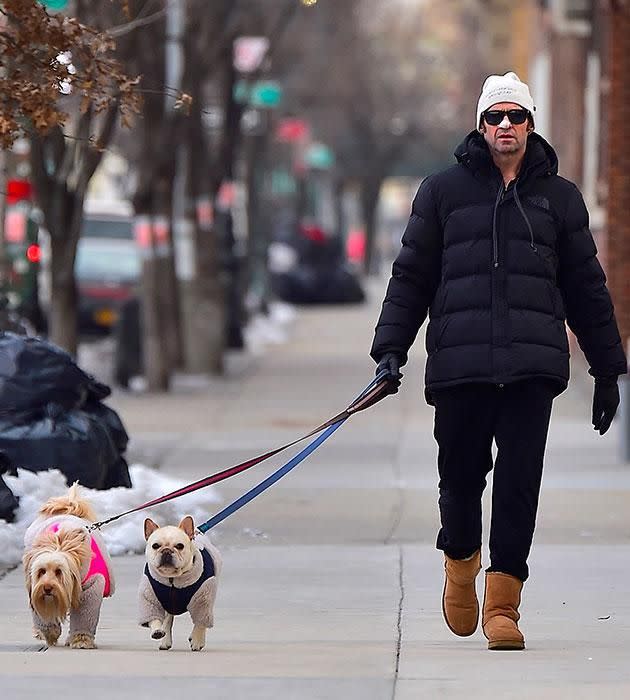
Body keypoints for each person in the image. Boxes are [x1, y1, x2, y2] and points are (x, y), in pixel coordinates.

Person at [370, 71, 628, 651]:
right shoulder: (441, 192)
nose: (505, 126)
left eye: (515, 116)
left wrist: (607, 369)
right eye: (494, 117)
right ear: (481, 126)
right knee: (460, 479)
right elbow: (412, 275)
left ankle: (504, 603)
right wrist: (390, 347)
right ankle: (460, 561)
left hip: (531, 368)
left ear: (531, 124)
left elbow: (587, 286)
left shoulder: (559, 198)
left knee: (518, 485)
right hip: (460, 367)